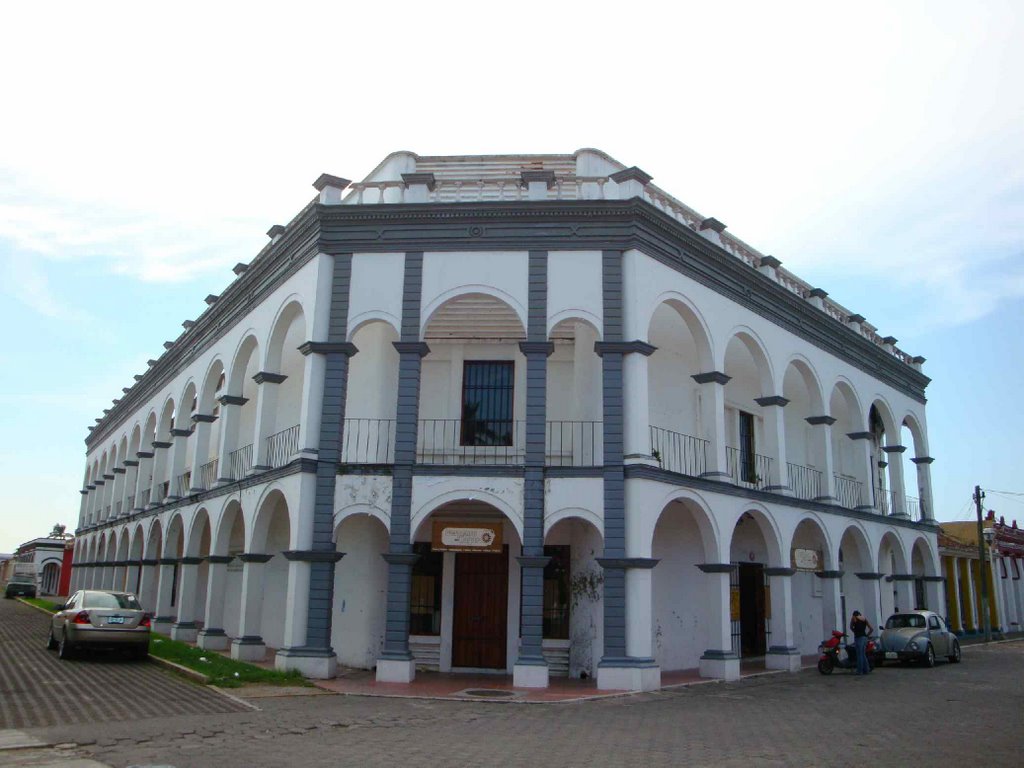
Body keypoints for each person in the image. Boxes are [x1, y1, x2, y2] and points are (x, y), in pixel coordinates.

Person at [850, 610, 873, 675]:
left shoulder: (854, 618)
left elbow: (851, 627)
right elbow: (871, 629)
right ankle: (866, 670)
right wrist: (866, 636)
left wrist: (855, 631)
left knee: (859, 655)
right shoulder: (864, 619)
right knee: (863, 654)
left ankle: (859, 671)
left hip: (858, 637)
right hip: (864, 637)